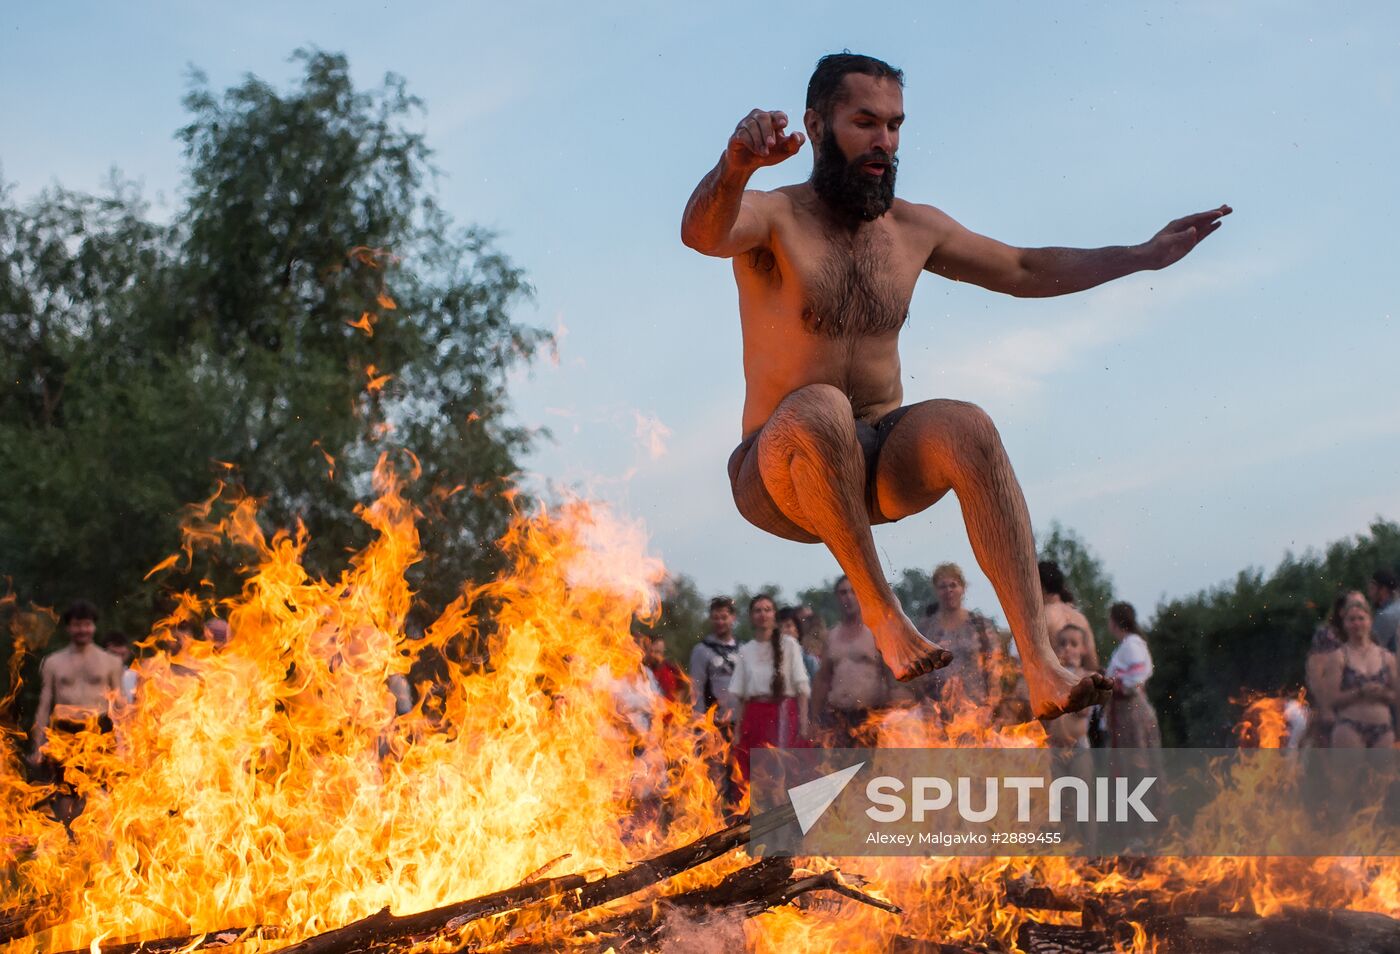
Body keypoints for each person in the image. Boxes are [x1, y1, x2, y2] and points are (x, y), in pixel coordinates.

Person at [681, 52, 1227, 717]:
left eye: (895, 126)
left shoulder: (914, 230)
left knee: (969, 424)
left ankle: (1041, 665)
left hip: (876, 464)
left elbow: (1024, 267)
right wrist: (736, 164)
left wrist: (1142, 256)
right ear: (817, 127)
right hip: (778, 473)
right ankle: (884, 616)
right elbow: (702, 233)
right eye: (864, 123)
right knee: (820, 407)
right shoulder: (773, 216)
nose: (884, 142)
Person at [29, 600, 123, 825]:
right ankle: (68, 840)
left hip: (99, 728)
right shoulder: (53, 662)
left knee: (102, 791)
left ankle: (103, 850)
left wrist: (122, 743)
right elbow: (44, 704)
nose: (82, 629)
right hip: (65, 731)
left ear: (94, 627)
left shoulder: (110, 661)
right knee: (65, 791)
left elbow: (119, 705)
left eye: (87, 624)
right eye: (77, 625)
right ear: (69, 628)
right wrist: (37, 745)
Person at [730, 594, 811, 781]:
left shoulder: (789, 645)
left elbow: (802, 688)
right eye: (757, 610)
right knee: (756, 773)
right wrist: (737, 731)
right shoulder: (746, 650)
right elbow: (742, 697)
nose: (762, 614)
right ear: (751, 616)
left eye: (767, 609)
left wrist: (804, 724)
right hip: (755, 716)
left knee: (783, 769)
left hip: (783, 713)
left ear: (774, 614)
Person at [812, 576, 893, 745]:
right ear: (837, 597)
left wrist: (895, 713)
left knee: (869, 770)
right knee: (838, 769)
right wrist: (814, 718)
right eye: (843, 593)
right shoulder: (832, 636)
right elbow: (823, 680)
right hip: (837, 716)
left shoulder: (876, 633)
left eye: (853, 592)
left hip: (869, 716)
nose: (848, 597)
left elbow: (892, 677)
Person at [1315, 595, 1396, 748]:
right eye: (1351, 619)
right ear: (1345, 624)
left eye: (1361, 618)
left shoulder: (1387, 657)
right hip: (1350, 726)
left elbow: (1397, 695)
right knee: (1348, 772)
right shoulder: (1339, 657)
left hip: (1383, 728)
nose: (1357, 623)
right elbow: (1331, 699)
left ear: (1370, 621)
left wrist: (1382, 693)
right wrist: (1360, 692)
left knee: (1384, 773)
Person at [919, 563, 999, 707]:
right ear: (936, 590)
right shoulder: (926, 628)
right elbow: (919, 671)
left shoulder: (980, 626)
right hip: (936, 709)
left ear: (963, 588)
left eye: (953, 585)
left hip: (976, 707)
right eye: (943, 586)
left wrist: (993, 702)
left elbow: (994, 665)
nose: (948, 590)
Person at [689, 596, 742, 808]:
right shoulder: (702, 651)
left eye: (724, 617)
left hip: (739, 723)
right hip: (715, 725)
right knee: (716, 779)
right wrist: (700, 727)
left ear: (733, 618)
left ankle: (738, 826)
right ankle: (715, 825)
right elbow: (696, 690)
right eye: (716, 617)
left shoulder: (743, 650)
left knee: (740, 779)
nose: (720, 621)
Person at [1102, 602, 1161, 748]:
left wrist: (1117, 685)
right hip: (1125, 711)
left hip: (1132, 710)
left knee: (1138, 761)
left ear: (1115, 621)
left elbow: (1136, 679)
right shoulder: (1126, 645)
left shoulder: (1132, 645)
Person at [1038, 562, 1100, 670]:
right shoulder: (1080, 618)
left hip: (1052, 682)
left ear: (1041, 586)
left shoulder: (1042, 616)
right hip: (1078, 680)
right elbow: (1092, 664)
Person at [1046, 626, 1092, 749]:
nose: (1067, 648)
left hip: (1078, 744)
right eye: (1063, 644)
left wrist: (1075, 671)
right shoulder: (1052, 677)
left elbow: (1083, 711)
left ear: (1084, 649)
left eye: (1074, 644)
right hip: (1054, 744)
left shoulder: (1086, 676)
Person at [644, 635, 689, 704]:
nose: (653, 655)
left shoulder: (671, 669)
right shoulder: (640, 670)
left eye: (658, 652)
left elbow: (683, 687)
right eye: (651, 651)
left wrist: (676, 702)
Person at [100, 631, 140, 704]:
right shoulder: (97, 675)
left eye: (121, 654)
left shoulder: (134, 675)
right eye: (114, 653)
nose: (118, 659)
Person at [1367, 569, 1400, 653]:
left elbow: (1372, 648)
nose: (1369, 594)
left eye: (1372, 588)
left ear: (1383, 590)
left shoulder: (1385, 616)